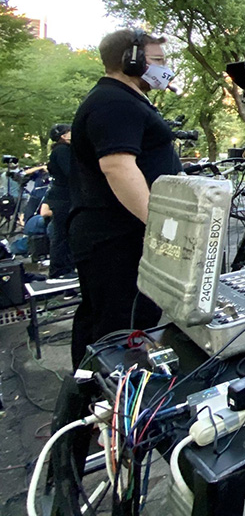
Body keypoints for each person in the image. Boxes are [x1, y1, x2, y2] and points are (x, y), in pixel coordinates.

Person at [68, 29, 181, 368]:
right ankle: (115, 407)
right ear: (131, 61)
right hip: (117, 237)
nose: (165, 69)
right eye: (158, 60)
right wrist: (160, 226)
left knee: (104, 323)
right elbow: (118, 167)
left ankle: (91, 405)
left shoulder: (119, 100)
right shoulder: (115, 102)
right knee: (121, 330)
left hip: (113, 235)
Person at [41, 123, 75, 279]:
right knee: (61, 235)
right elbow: (70, 173)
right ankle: (59, 270)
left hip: (61, 197)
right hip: (63, 198)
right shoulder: (62, 151)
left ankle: (64, 268)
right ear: (63, 135)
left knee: (63, 234)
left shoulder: (59, 151)